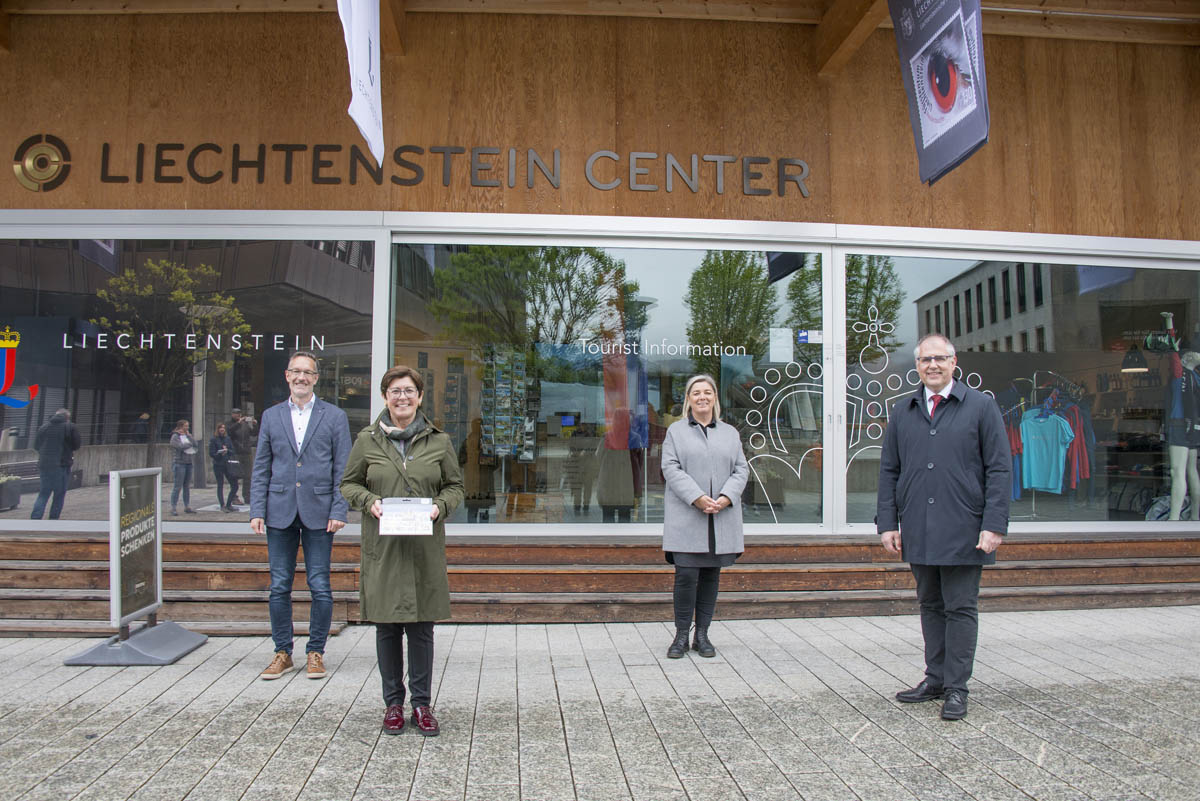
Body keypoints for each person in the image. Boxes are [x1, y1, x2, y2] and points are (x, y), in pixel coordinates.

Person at [877, 334, 1011, 721]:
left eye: (940, 358)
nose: (932, 365)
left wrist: (994, 524)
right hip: (919, 525)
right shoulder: (904, 411)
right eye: (925, 360)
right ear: (916, 366)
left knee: (960, 607)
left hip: (966, 527)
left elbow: (999, 469)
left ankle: (957, 687)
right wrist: (888, 522)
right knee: (930, 605)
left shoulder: (981, 407)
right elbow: (890, 471)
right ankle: (934, 678)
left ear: (954, 363)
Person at [340, 365, 464, 737]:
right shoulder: (367, 440)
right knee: (387, 628)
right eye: (395, 391)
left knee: (422, 629)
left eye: (409, 390)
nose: (402, 397)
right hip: (385, 549)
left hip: (423, 549)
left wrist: (438, 508)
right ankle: (393, 704)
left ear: (420, 397)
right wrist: (369, 501)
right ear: (385, 397)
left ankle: (422, 705)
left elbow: (455, 487)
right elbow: (348, 484)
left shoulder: (439, 441)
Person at [250, 351, 351, 682]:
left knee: (319, 585)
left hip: (320, 513)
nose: (301, 377)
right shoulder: (271, 416)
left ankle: (315, 652)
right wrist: (256, 510)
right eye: (296, 371)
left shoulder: (334, 416)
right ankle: (282, 652)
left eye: (308, 372)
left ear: (316, 378)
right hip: (278, 511)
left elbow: (343, 469)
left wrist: (339, 509)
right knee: (279, 585)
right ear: (287, 375)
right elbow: (261, 466)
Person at [660, 374, 748, 659]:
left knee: (711, 576)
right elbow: (671, 468)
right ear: (688, 399)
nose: (702, 397)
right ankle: (681, 635)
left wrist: (726, 497)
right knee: (685, 575)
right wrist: (697, 498)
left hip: (720, 518)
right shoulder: (676, 432)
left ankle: (703, 635)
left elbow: (741, 470)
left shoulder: (730, 433)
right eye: (696, 393)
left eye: (707, 392)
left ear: (714, 398)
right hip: (688, 517)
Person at [30, 408, 81, 520]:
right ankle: (53, 520)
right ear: (67, 417)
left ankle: (35, 518)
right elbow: (77, 445)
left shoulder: (43, 427)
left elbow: (36, 446)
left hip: (44, 465)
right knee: (59, 494)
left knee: (43, 493)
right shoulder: (70, 427)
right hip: (61, 465)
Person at [227, 407, 258, 505]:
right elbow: (230, 432)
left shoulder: (244, 424)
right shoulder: (230, 424)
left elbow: (253, 433)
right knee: (235, 475)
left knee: (248, 476)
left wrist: (254, 425)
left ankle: (247, 496)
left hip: (246, 452)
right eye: (236, 413)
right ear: (232, 414)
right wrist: (238, 423)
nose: (238, 415)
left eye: (239, 413)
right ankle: (234, 497)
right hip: (236, 452)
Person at [169, 419, 198, 515]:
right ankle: (173, 507)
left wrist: (189, 437)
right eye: (186, 426)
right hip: (179, 463)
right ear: (181, 426)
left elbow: (195, 444)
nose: (187, 427)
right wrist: (188, 444)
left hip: (189, 463)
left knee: (187, 486)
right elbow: (179, 446)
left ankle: (187, 506)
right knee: (177, 486)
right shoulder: (175, 436)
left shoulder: (187, 435)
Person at [209, 422, 239, 512]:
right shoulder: (214, 439)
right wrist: (220, 453)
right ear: (217, 429)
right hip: (218, 464)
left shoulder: (227, 439)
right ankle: (222, 505)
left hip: (227, 464)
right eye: (220, 428)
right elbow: (211, 453)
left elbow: (232, 450)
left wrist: (227, 451)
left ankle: (229, 504)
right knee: (220, 484)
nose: (222, 429)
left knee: (234, 485)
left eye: (223, 428)